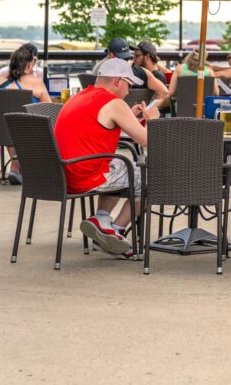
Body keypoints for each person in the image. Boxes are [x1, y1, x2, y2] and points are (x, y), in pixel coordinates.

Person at [55, 59, 158, 256]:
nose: (128, 91)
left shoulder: (81, 96)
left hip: (62, 174)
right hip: (84, 176)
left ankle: (101, 219)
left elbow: (99, 125)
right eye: (128, 85)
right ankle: (116, 231)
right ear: (118, 81)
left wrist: (129, 116)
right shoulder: (114, 103)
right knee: (151, 179)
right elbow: (147, 140)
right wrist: (152, 121)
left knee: (117, 163)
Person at [0, 45, 52, 179]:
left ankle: (16, 166)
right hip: (26, 132)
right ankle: (18, 167)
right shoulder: (35, 82)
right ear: (30, 64)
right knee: (25, 121)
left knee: (11, 122)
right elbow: (49, 109)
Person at [97, 37, 169, 102]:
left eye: (137, 56)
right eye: (132, 56)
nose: (134, 59)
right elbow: (163, 92)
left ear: (111, 56)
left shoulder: (100, 72)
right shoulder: (142, 73)